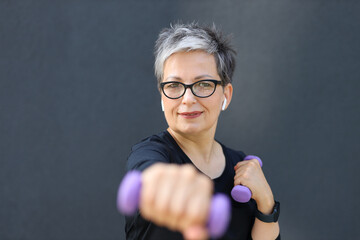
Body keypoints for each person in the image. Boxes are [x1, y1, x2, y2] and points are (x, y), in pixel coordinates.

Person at [125, 22, 280, 240]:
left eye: (204, 84)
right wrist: (161, 186)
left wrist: (266, 203)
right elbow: (148, 173)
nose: (187, 99)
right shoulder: (151, 154)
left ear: (226, 94)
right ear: (162, 96)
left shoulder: (242, 168)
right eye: (174, 85)